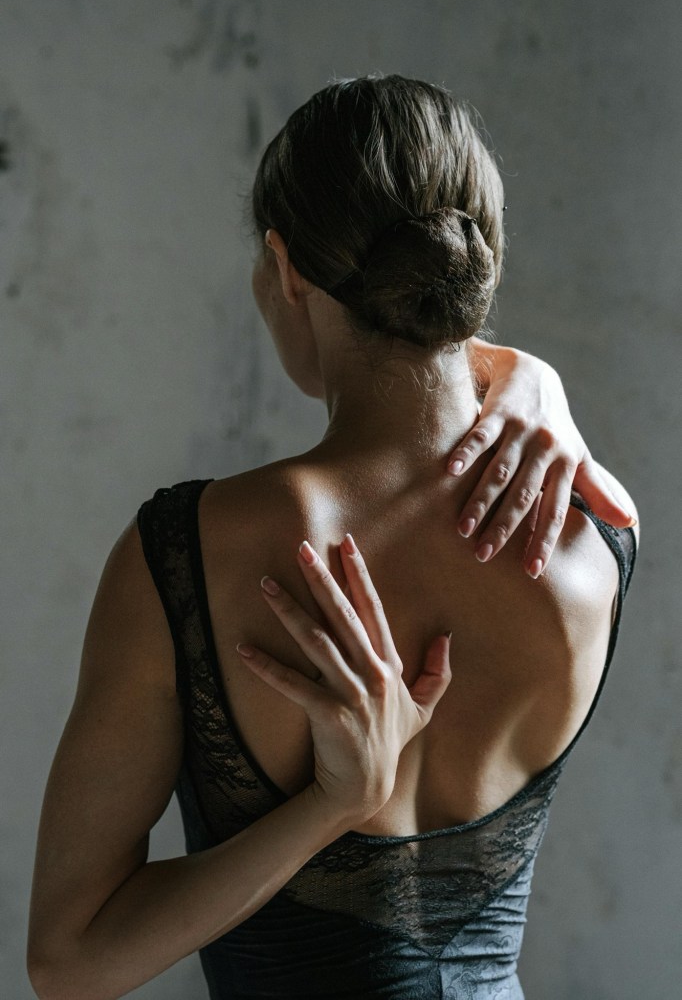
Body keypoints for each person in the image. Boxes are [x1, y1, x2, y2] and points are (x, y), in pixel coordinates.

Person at [28, 75, 638, 1000]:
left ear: (285, 267)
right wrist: (526, 370)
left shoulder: (186, 554)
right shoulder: (597, 531)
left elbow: (70, 963)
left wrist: (333, 805)